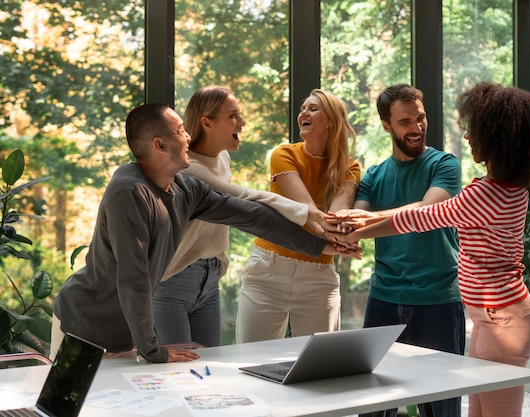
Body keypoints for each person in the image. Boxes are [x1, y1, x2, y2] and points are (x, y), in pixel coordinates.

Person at [51, 102, 360, 363]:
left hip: (126, 334)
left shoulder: (185, 187)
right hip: (84, 326)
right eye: (180, 132)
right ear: (159, 145)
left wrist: (320, 246)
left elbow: (252, 216)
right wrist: (153, 350)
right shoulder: (128, 192)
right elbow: (133, 277)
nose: (188, 138)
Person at [329, 82, 530, 417]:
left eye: (475, 131)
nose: (467, 138)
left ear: (496, 139)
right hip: (491, 320)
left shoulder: (485, 194)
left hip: (504, 320)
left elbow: (422, 217)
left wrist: (367, 218)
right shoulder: (509, 188)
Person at [153, 86, 329, 347]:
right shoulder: (190, 170)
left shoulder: (222, 157)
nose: (242, 122)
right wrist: (308, 213)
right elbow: (244, 200)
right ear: (207, 123)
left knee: (207, 370)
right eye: (233, 116)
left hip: (209, 278)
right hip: (173, 281)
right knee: (177, 372)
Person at [327, 83, 465, 417]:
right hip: (384, 300)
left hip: (438, 301)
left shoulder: (445, 165)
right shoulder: (374, 176)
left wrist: (367, 219)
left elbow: (426, 215)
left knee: (441, 405)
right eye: (405, 122)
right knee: (373, 405)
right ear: (387, 125)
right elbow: (356, 227)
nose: (416, 128)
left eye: (420, 118)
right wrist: (349, 225)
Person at [235, 88, 361, 343]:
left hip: (318, 275)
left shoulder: (350, 167)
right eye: (303, 108)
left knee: (321, 365)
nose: (303, 112)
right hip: (268, 270)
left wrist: (335, 239)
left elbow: (336, 216)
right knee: (251, 360)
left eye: (313, 108)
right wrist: (336, 242)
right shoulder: (284, 154)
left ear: (331, 123)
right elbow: (305, 211)